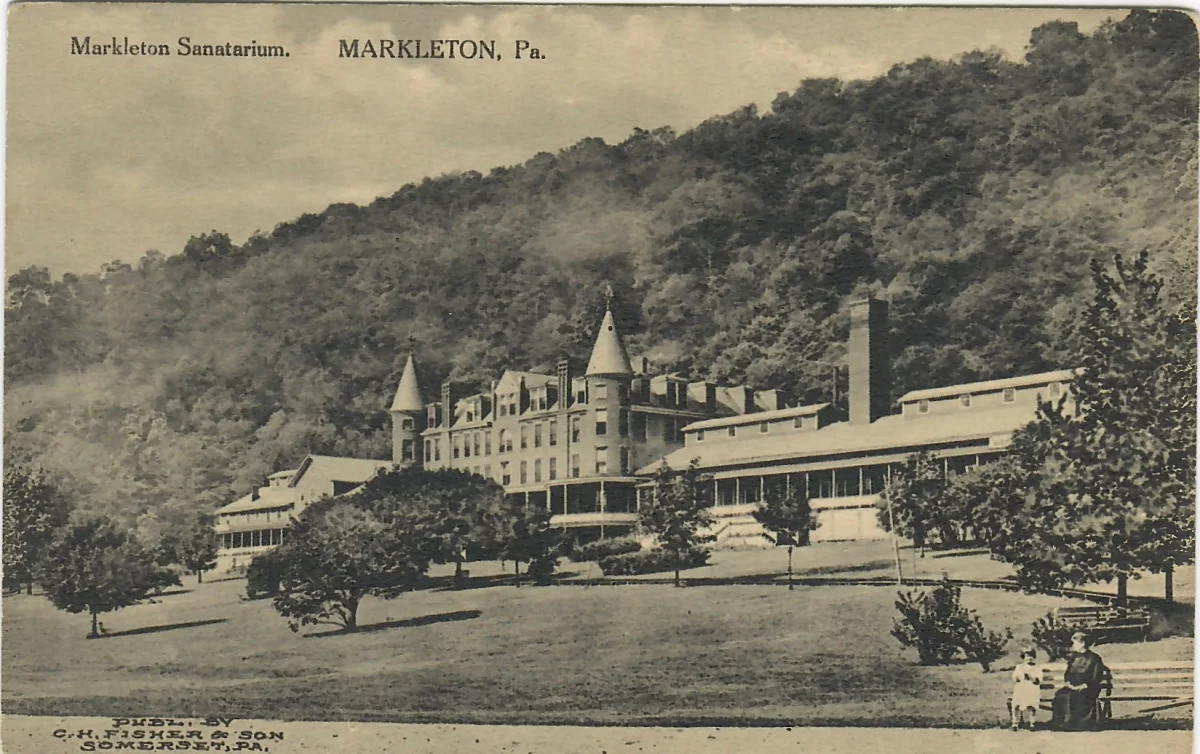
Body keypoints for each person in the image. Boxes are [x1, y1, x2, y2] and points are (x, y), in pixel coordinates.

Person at [1051, 631, 1109, 730]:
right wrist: (1069, 684)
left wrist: (1085, 685)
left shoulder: (1094, 658)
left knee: (1078, 696)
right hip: (1072, 687)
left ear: (1082, 643)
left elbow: (1096, 676)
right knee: (1061, 695)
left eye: (1074, 643)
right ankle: (1063, 723)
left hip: (1089, 687)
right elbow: (1067, 674)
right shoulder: (1073, 658)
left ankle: (1081, 723)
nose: (1073, 646)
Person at [1010, 647, 1043, 730]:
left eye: (1031, 656)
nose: (1029, 658)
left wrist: (1031, 678)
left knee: (1031, 704)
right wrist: (1017, 678)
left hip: (1032, 688)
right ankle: (1015, 722)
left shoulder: (1037, 668)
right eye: (1027, 656)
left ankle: (1032, 723)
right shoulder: (1020, 667)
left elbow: (1038, 680)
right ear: (1023, 657)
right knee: (1016, 703)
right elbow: (1015, 677)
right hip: (1021, 688)